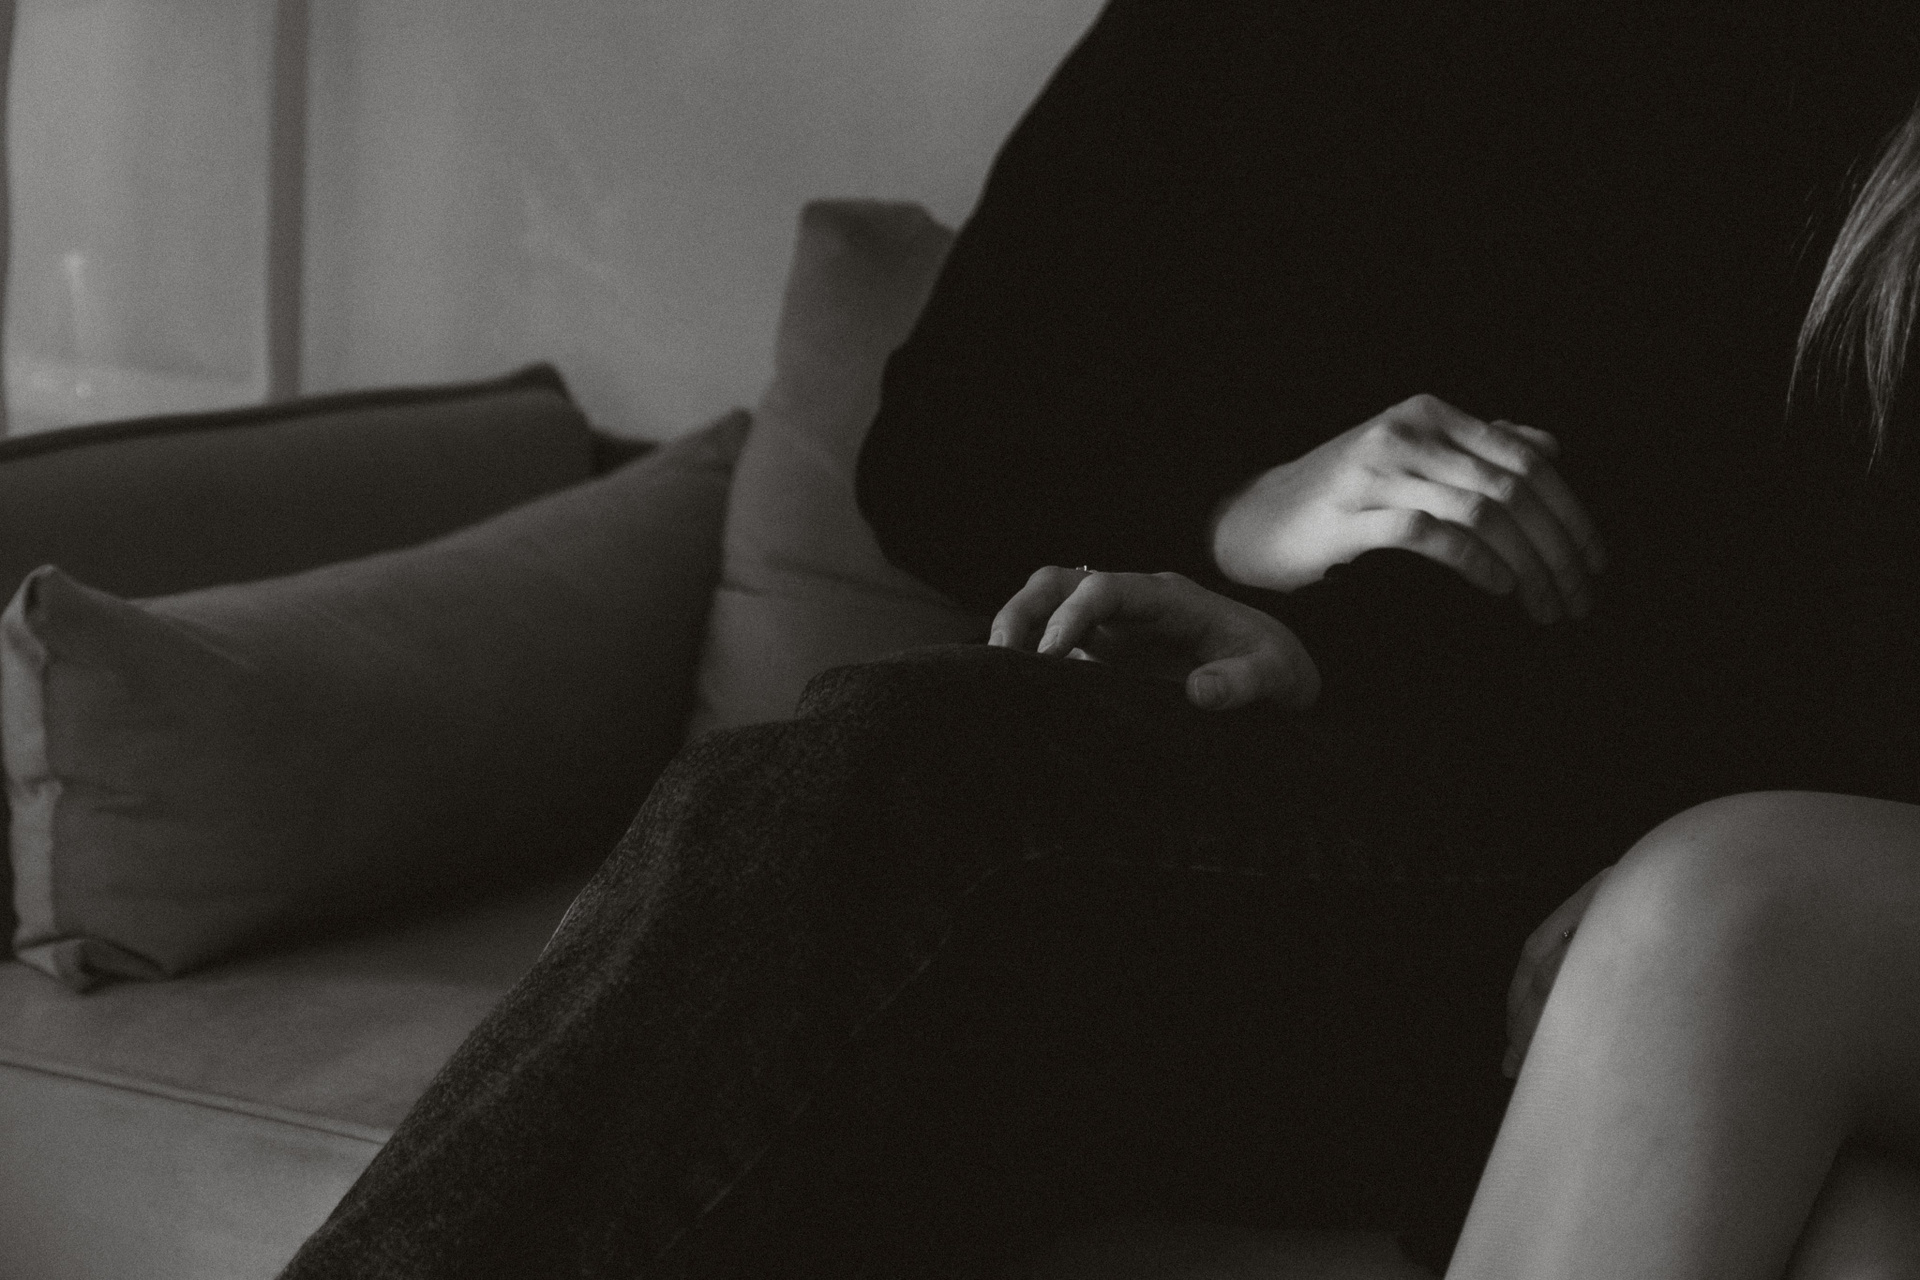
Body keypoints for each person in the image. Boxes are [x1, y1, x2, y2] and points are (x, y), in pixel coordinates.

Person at [276, 2, 1920, 1276]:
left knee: (916, 805)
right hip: (1293, 793)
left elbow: (1837, 612)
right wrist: (1253, 524)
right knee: (880, 782)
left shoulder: (1839, 76)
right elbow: (945, 438)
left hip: (1639, 884)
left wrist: (1665, 857)